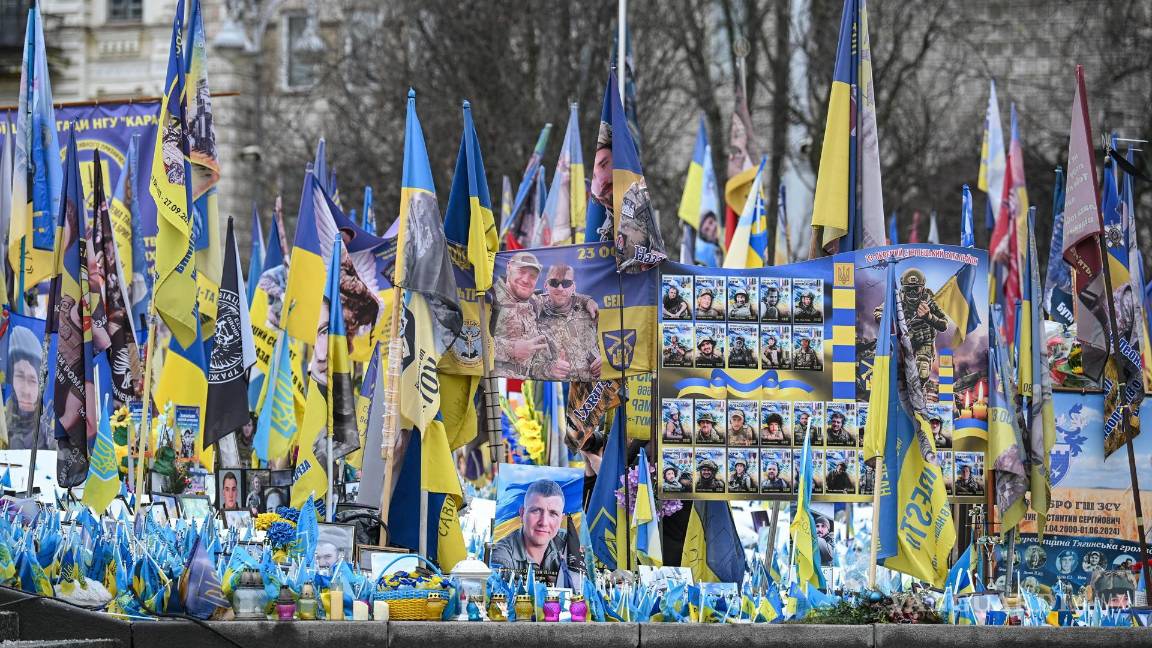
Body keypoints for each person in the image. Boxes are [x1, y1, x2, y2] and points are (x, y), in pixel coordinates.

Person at [536, 263, 602, 381]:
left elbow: (608, 339)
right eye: (554, 283)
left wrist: (604, 360)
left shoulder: (588, 309)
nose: (560, 288)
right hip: (554, 386)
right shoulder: (534, 310)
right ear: (546, 285)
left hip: (591, 386)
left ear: (573, 287)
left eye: (566, 283)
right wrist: (549, 370)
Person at [490, 480, 568, 572]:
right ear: (522, 513)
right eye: (536, 511)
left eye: (553, 513)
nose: (544, 522)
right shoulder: (501, 556)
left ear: (561, 520)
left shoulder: (569, 543)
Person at [492, 252, 547, 377]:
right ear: (509, 267)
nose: (526, 280)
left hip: (525, 385)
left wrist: (587, 302)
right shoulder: (489, 297)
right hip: (492, 387)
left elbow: (562, 297)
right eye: (521, 271)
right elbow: (467, 341)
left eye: (533, 276)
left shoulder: (534, 301)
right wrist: (512, 349)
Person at [6, 325, 52, 450]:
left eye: (32, 380)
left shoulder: (51, 429)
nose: (26, 390)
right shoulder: (2, 423)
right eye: (20, 377)